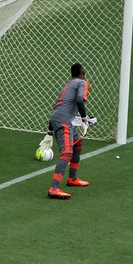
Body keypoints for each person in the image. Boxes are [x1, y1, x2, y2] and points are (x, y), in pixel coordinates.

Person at [40, 63, 96, 199]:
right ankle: (53, 188)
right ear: (82, 72)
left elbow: (57, 108)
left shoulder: (69, 85)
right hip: (64, 122)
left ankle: (72, 178)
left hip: (59, 119)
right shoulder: (82, 82)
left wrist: (49, 132)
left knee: (78, 143)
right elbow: (78, 100)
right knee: (66, 153)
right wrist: (84, 119)